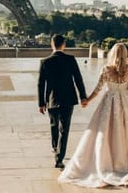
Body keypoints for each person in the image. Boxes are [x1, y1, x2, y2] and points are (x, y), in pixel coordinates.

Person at [58, 43, 128, 187]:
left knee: (105, 132)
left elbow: (98, 89)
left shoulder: (106, 69)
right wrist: (125, 96)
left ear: (112, 53)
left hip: (109, 102)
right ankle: (121, 160)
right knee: (124, 132)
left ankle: (106, 160)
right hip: (125, 104)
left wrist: (87, 100)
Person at [37, 34, 88, 169]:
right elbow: (78, 79)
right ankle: (59, 158)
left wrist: (41, 103)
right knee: (64, 129)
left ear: (52, 44)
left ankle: (55, 148)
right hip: (68, 99)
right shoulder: (70, 59)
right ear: (64, 45)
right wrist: (83, 96)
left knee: (54, 125)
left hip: (52, 99)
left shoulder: (45, 62)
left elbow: (41, 84)